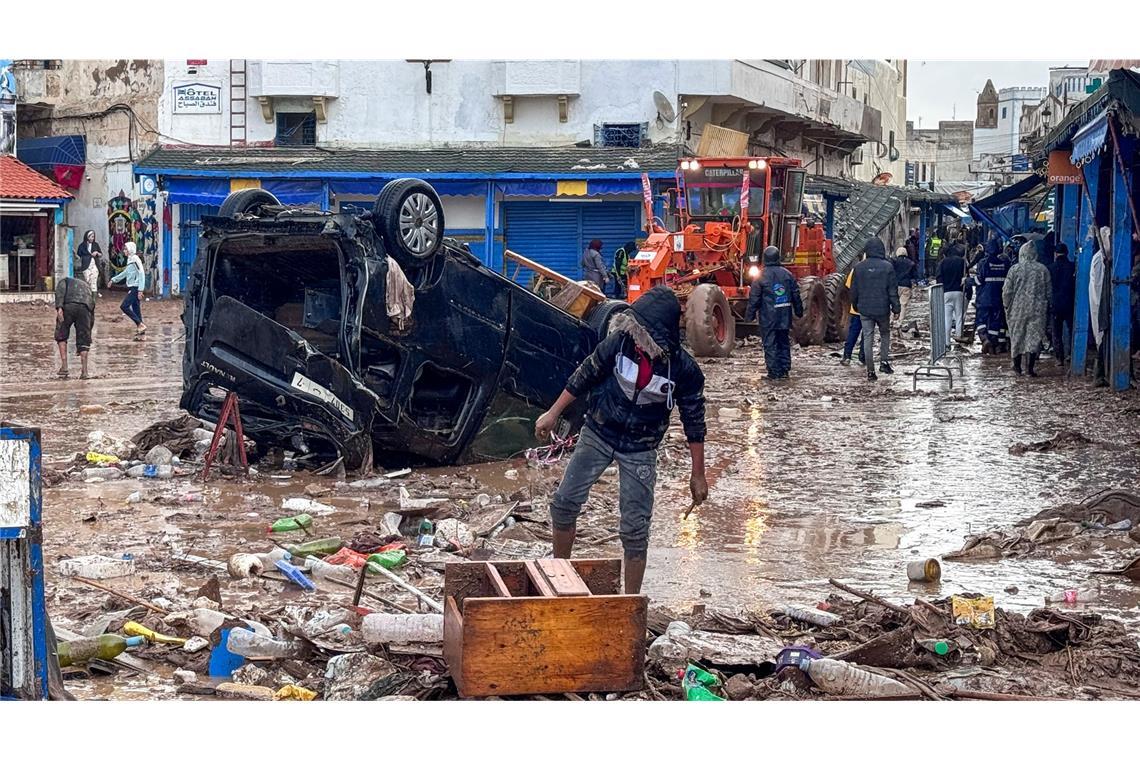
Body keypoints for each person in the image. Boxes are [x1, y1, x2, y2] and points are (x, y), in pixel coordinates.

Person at [535, 286, 707, 594]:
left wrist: (698, 474)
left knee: (635, 529)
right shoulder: (619, 344)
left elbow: (694, 422)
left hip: (641, 448)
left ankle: (630, 600)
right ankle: (560, 575)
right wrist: (552, 413)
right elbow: (585, 374)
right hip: (599, 432)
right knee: (563, 506)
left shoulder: (683, 370)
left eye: (642, 332)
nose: (636, 336)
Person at [745, 245, 804, 379]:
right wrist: (799, 311)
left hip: (768, 317)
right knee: (783, 342)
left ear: (765, 258)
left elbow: (754, 298)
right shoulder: (787, 274)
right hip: (784, 315)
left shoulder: (760, 276)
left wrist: (749, 316)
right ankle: (784, 370)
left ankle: (773, 372)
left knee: (770, 344)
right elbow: (796, 294)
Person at [849, 238, 900, 381]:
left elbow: (854, 290)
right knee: (884, 335)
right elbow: (892, 291)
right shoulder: (888, 267)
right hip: (883, 309)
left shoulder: (858, 268)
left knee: (868, 337)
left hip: (864, 310)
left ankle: (870, 371)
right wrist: (896, 309)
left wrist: (855, 305)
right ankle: (884, 362)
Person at [1003, 241, 1052, 377]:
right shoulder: (1043, 270)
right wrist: (1048, 305)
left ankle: (1017, 367)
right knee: (1033, 337)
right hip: (1037, 309)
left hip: (1017, 310)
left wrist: (1006, 305)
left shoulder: (1014, 269)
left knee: (1017, 336)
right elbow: (1049, 292)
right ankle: (1029, 369)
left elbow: (1007, 291)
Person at [54, 276, 95, 379]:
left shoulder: (64, 281)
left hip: (69, 306)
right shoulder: (87, 287)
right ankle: (84, 372)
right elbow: (92, 309)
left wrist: (59, 307)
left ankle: (64, 367)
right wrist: (88, 332)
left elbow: (60, 293)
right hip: (85, 308)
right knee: (84, 341)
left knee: (61, 334)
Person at [974, 239, 1011, 354]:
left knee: (980, 320)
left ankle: (985, 339)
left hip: (984, 298)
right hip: (999, 298)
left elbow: (979, 280)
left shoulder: (984, 263)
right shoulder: (1004, 264)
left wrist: (968, 281)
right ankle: (994, 346)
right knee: (995, 322)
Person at [1089, 226, 1112, 387]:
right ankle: (1100, 373)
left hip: (1106, 303)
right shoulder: (1099, 259)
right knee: (1101, 335)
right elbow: (1097, 285)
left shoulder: (1107, 258)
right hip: (1099, 302)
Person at [109, 241, 147, 338]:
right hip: (133, 286)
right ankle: (141, 334)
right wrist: (113, 280)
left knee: (124, 306)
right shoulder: (130, 260)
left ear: (130, 250)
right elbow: (125, 273)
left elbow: (141, 273)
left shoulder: (135, 259)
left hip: (135, 287)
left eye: (126, 249)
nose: (124, 251)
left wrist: (140, 290)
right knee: (136, 309)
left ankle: (140, 324)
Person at [936, 235, 968, 348]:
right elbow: (966, 276)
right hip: (959, 291)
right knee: (959, 316)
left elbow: (938, 278)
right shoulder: (961, 262)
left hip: (946, 292)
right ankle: (959, 339)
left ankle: (946, 342)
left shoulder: (943, 263)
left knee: (947, 318)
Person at [1047, 243, 1076, 366]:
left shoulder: (1050, 268)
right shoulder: (1072, 267)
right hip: (1069, 303)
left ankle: (1059, 358)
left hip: (1055, 305)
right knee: (1071, 330)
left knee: (1056, 333)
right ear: (1067, 253)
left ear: (1055, 254)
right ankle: (1071, 355)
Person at [840, 259, 865, 366]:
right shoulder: (882, 267)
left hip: (856, 309)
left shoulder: (856, 268)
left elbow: (848, 286)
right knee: (867, 334)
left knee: (853, 333)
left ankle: (847, 356)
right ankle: (863, 357)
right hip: (872, 309)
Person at [892, 246, 917, 332]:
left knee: (893, 303)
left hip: (895, 285)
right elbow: (914, 275)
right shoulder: (911, 263)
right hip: (906, 285)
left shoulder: (894, 262)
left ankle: (891, 320)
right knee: (903, 305)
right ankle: (899, 322)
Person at [75, 230, 103, 295]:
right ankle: (88, 296)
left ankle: (93, 300)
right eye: (91, 237)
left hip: (94, 265)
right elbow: (78, 256)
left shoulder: (96, 245)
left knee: (94, 282)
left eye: (93, 237)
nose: (92, 238)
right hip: (86, 266)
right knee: (87, 281)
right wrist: (75, 255)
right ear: (87, 237)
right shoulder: (82, 246)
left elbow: (101, 254)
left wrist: (97, 253)